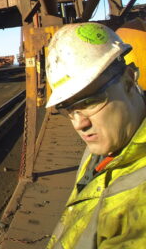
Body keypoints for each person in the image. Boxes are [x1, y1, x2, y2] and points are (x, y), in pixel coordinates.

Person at [44, 22, 146, 249]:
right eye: (68, 108)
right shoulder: (101, 148)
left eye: (90, 102)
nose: (79, 124)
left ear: (129, 80)